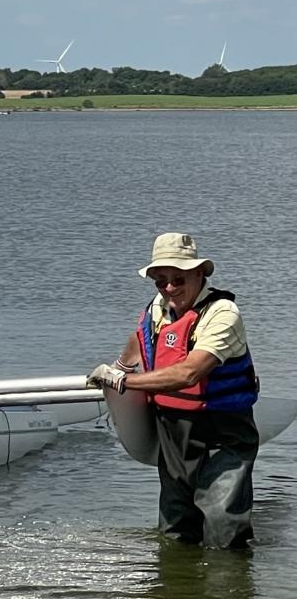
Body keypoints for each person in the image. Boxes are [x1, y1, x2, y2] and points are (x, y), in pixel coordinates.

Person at [88, 233, 259, 548]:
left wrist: (122, 383)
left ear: (199, 274)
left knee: (223, 528)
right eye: (160, 281)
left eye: (178, 279)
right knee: (175, 531)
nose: (169, 288)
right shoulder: (161, 307)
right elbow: (141, 337)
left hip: (222, 431)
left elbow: (189, 373)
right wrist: (119, 367)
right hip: (171, 430)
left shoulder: (223, 314)